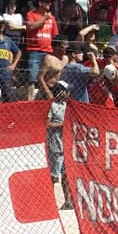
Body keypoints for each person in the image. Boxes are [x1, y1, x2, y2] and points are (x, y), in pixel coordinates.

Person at [47, 81, 73, 210]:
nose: (69, 93)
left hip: (66, 143)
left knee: (66, 173)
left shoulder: (67, 105)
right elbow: (47, 124)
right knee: (53, 175)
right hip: (55, 144)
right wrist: (62, 124)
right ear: (61, 91)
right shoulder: (51, 105)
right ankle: (49, 202)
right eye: (66, 90)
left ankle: (67, 201)